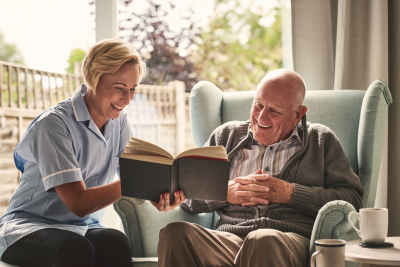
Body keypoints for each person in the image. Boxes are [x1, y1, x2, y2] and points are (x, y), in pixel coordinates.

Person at [0, 38, 185, 267]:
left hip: (80, 228)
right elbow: (78, 203)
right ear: (93, 79)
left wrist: (158, 194)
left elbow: (133, 176)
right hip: (28, 227)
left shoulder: (119, 122)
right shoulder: (54, 125)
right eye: (120, 89)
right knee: (75, 249)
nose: (127, 100)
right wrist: (137, 180)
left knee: (116, 242)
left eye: (133, 89)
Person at [157, 69, 363, 267]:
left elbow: (351, 199)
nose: (261, 117)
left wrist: (290, 193)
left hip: (288, 241)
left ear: (298, 115)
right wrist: (223, 192)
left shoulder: (320, 140)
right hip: (229, 240)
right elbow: (187, 196)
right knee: (175, 234)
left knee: (263, 240)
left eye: (274, 111)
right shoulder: (225, 137)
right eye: (258, 105)